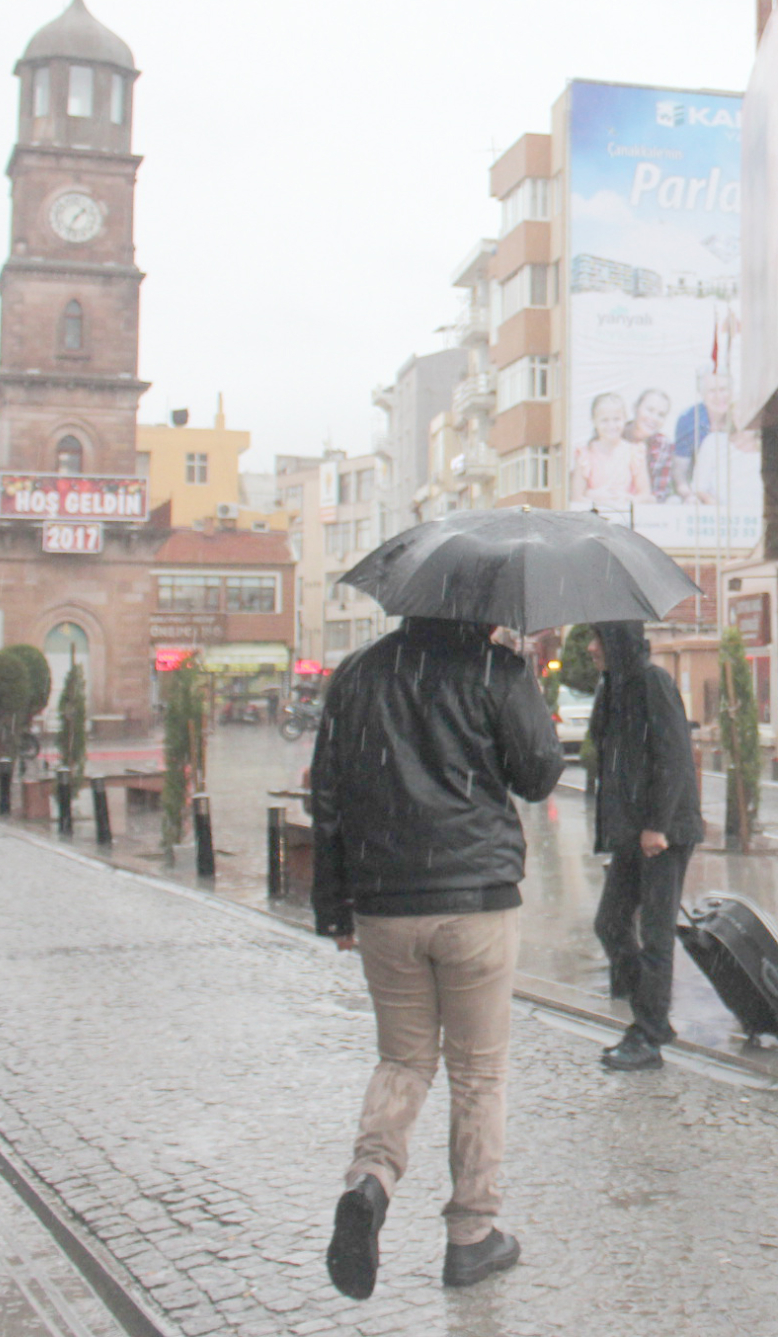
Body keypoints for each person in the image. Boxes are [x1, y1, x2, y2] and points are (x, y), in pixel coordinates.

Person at [310, 616, 561, 1299]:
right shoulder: (492, 667)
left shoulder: (358, 671)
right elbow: (539, 772)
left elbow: (326, 793)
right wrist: (521, 675)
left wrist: (332, 905)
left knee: (403, 1059)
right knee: (478, 1070)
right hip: (475, 898)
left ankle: (371, 1180)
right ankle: (472, 1235)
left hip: (385, 900)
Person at [588, 620, 705, 1070]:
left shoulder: (653, 683)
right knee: (610, 923)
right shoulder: (614, 687)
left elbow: (674, 757)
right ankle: (650, 1016)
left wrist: (657, 824)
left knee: (656, 933)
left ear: (617, 641)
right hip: (633, 833)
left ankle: (650, 1033)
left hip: (663, 832)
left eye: (598, 639)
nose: (591, 648)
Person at [571, 391, 651, 507]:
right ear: (594, 421)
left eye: (616, 419)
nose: (611, 425)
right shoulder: (585, 454)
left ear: (625, 419)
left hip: (625, 517)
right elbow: (576, 498)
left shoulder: (634, 453)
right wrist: (596, 499)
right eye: (604, 420)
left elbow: (644, 495)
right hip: (595, 519)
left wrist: (629, 500)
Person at [672, 371, 734, 497]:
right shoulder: (688, 420)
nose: (719, 396)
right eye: (712, 391)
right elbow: (680, 473)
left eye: (723, 389)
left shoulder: (743, 416)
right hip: (699, 492)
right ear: (702, 395)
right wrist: (689, 496)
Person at [626, 389, 675, 502]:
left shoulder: (663, 444)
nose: (653, 418)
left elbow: (659, 492)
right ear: (635, 408)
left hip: (644, 506)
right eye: (650, 410)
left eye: (661, 415)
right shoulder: (615, 433)